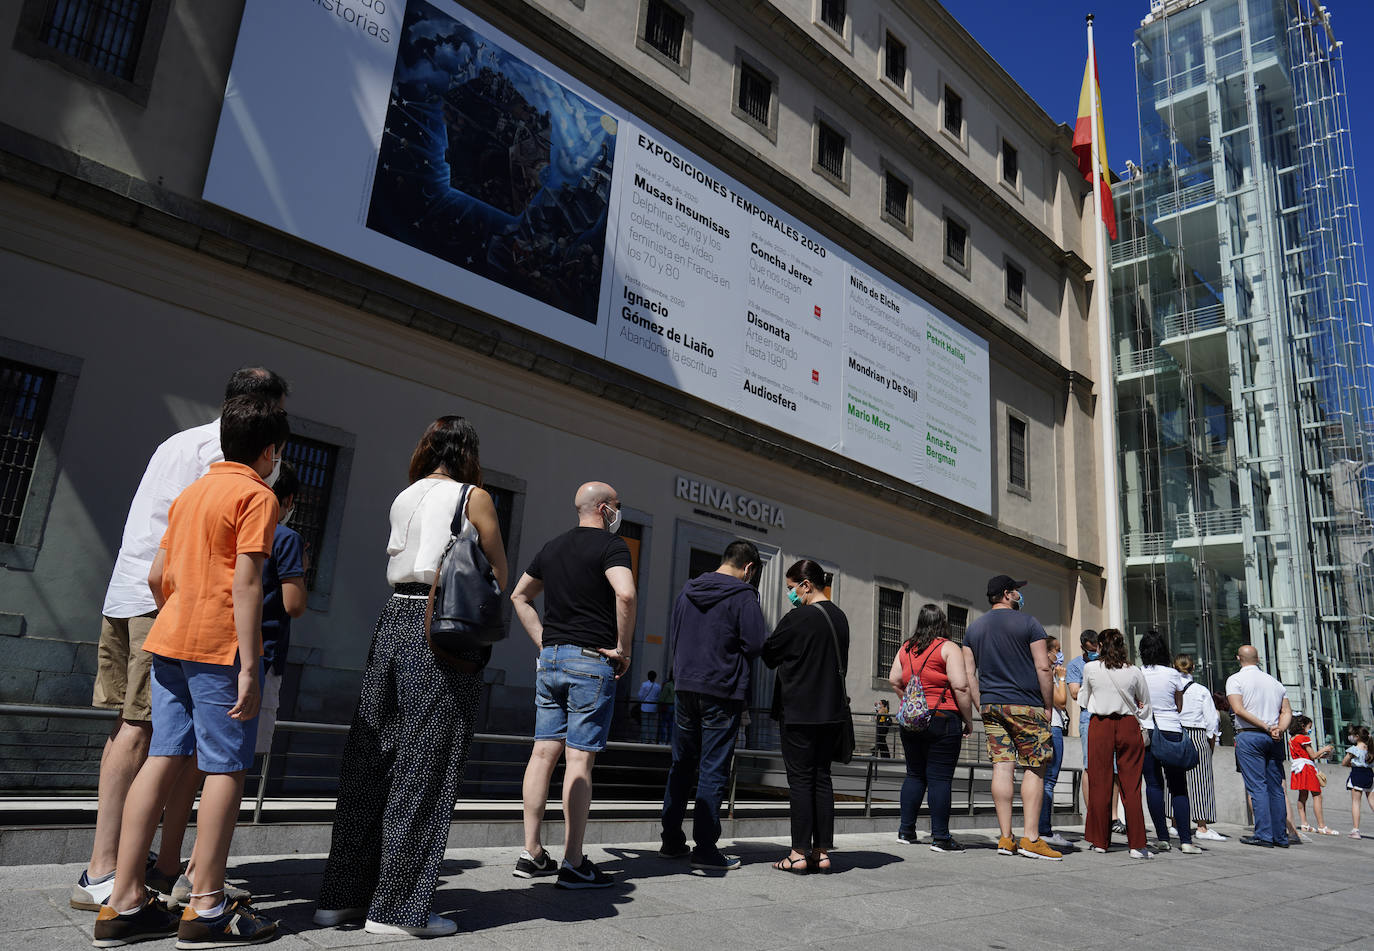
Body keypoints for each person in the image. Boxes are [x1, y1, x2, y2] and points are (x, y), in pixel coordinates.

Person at [74, 367, 288, 915]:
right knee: (208, 759)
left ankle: (123, 883)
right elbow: (244, 578)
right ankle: (189, 889)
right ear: (267, 438)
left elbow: (158, 564)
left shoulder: (182, 455)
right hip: (200, 628)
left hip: (146, 608)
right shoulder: (246, 484)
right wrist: (249, 662)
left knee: (154, 744)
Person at [314, 416, 508, 937]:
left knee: (370, 757)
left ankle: (341, 897)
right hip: (439, 630)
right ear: (468, 453)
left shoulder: (406, 496)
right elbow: (497, 574)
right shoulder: (475, 497)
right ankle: (399, 908)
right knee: (427, 762)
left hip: (392, 619)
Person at [510, 482, 636, 888]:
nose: (619, 512)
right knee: (579, 761)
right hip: (590, 661)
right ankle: (574, 861)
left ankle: (531, 853)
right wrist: (624, 649)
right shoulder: (611, 547)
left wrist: (546, 642)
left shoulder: (552, 547)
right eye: (616, 506)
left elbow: (519, 597)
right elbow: (626, 594)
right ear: (603, 508)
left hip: (551, 660)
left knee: (542, 754)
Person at [659, 539, 768, 871]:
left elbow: (675, 635)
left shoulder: (687, 591)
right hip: (722, 690)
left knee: (681, 764)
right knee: (713, 768)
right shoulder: (743, 595)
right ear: (748, 568)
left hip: (685, 686)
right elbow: (756, 643)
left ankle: (671, 840)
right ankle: (706, 847)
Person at [961, 574, 1061, 860]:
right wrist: (1047, 705)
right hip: (1026, 704)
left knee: (1002, 768)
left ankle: (1005, 837)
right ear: (1007, 594)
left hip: (992, 706)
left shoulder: (974, 629)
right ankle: (1031, 838)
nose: (1019, 595)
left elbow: (969, 675)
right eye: (1016, 591)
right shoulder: (1029, 623)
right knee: (1035, 767)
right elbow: (1043, 667)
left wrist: (982, 704)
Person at [762, 559, 849, 874]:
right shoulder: (840, 618)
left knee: (799, 780)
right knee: (822, 778)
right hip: (831, 712)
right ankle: (821, 851)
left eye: (791, 588)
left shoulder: (798, 618)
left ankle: (797, 852)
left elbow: (769, 653)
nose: (791, 595)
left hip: (798, 711)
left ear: (806, 585)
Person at [887, 604, 974, 853]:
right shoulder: (948, 648)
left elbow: (894, 679)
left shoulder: (906, 647)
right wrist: (968, 719)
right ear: (943, 623)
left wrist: (911, 701)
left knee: (914, 774)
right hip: (943, 717)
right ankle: (941, 837)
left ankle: (906, 830)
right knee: (940, 778)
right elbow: (961, 687)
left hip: (912, 720)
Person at [1077, 628, 1151, 858]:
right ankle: (1137, 844)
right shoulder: (1134, 671)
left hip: (1100, 724)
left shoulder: (1091, 668)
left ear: (1099, 646)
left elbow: (1083, 698)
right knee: (1132, 785)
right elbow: (1146, 703)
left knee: (1100, 782)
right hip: (1128, 725)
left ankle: (1100, 841)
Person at [256, 461, 308, 759]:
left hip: (218, 655)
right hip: (266, 654)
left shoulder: (236, 526)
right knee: (236, 761)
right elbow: (294, 604)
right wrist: (302, 572)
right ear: (288, 500)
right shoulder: (286, 538)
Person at [1136, 630, 1202, 854]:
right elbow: (1179, 706)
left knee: (1153, 785)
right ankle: (1185, 840)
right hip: (1172, 731)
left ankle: (1162, 837)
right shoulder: (1173, 675)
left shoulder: (1138, 673)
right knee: (1178, 786)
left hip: (1148, 732)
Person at [1226, 644, 1293, 848]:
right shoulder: (1274, 682)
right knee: (1276, 788)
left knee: (1257, 787)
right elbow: (1286, 711)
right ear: (1258, 659)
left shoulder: (1235, 680)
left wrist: (1264, 726)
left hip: (1250, 736)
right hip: (1274, 739)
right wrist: (1278, 729)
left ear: (1238, 658)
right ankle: (1280, 835)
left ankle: (1264, 834)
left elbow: (1238, 709)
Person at [1173, 654, 1224, 841]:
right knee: (1200, 780)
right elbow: (1212, 721)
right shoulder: (1201, 690)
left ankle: (1174, 823)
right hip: (1196, 733)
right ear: (1193, 668)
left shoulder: (1171, 688)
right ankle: (1201, 826)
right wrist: (1211, 742)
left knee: (1174, 778)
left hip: (1175, 732)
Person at [1037, 636, 1073, 851]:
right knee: (1049, 780)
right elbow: (1060, 700)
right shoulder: (1048, 673)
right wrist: (1061, 678)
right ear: (1047, 652)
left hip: (1040, 726)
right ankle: (1044, 829)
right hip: (1053, 726)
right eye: (1057, 650)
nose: (1059, 654)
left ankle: (1040, 827)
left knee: (1041, 778)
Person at [1288, 716, 1336, 835]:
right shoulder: (1303, 738)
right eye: (1309, 727)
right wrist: (1325, 749)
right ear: (1303, 726)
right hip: (1307, 769)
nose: (1310, 730)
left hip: (1298, 768)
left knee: (1302, 795)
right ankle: (1321, 826)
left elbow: (1306, 755)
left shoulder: (1292, 739)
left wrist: (1321, 755)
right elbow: (1313, 755)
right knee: (1317, 795)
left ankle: (1304, 823)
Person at [1342, 724, 1373, 838]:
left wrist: (1351, 763)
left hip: (1357, 774)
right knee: (1372, 802)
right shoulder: (1370, 749)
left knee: (1356, 802)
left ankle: (1356, 830)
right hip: (1369, 774)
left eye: (1352, 735)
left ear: (1357, 736)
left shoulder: (1353, 749)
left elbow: (1344, 762)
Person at [637, 670, 663, 743]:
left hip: (645, 706)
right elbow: (658, 697)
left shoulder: (644, 684)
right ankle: (652, 739)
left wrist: (641, 701)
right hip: (653, 707)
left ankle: (644, 739)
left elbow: (640, 695)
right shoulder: (658, 686)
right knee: (652, 725)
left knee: (645, 724)